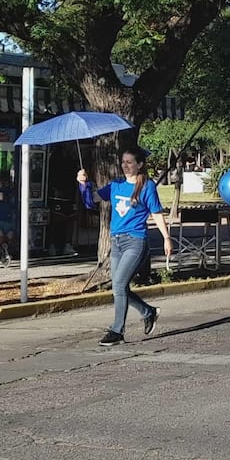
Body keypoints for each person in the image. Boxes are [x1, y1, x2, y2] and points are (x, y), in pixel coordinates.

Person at [76, 147, 172, 346]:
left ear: (139, 164)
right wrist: (83, 184)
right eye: (123, 162)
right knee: (119, 287)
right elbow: (92, 200)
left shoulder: (147, 186)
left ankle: (117, 331)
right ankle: (148, 312)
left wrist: (166, 238)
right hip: (117, 241)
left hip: (135, 241)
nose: (125, 166)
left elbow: (156, 213)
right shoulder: (116, 185)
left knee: (119, 285)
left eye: (129, 162)